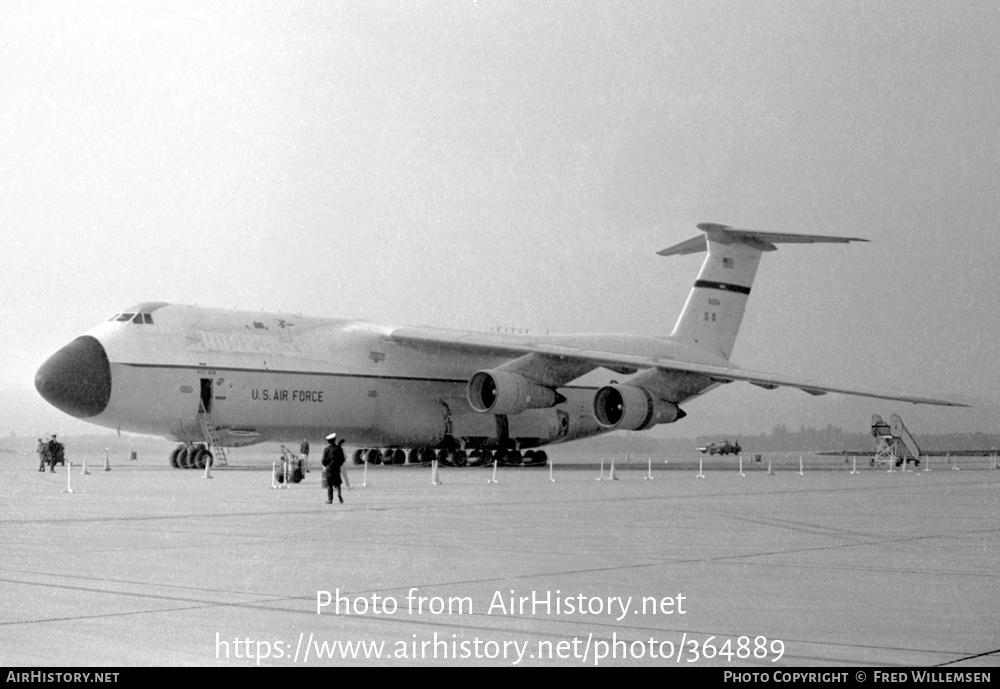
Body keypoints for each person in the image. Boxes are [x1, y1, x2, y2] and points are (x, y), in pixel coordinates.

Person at [321, 432, 346, 504]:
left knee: (329, 484)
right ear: (334, 440)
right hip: (336, 468)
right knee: (338, 483)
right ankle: (339, 494)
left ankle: (330, 499)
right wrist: (338, 464)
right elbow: (342, 459)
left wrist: (327, 465)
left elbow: (323, 460)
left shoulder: (326, 449)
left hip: (329, 469)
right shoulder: (339, 448)